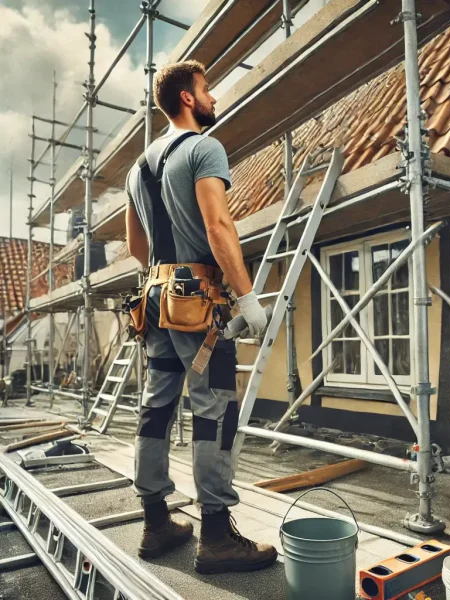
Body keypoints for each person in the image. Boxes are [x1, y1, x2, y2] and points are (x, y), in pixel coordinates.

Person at [125, 60, 276, 574]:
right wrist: (248, 296)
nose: (213, 98)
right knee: (213, 409)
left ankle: (155, 522)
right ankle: (215, 535)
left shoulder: (136, 169)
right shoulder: (203, 149)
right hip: (197, 300)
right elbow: (218, 226)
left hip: (155, 298)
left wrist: (163, 270)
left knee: (157, 407)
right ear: (188, 98)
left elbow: (135, 245)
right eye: (207, 89)